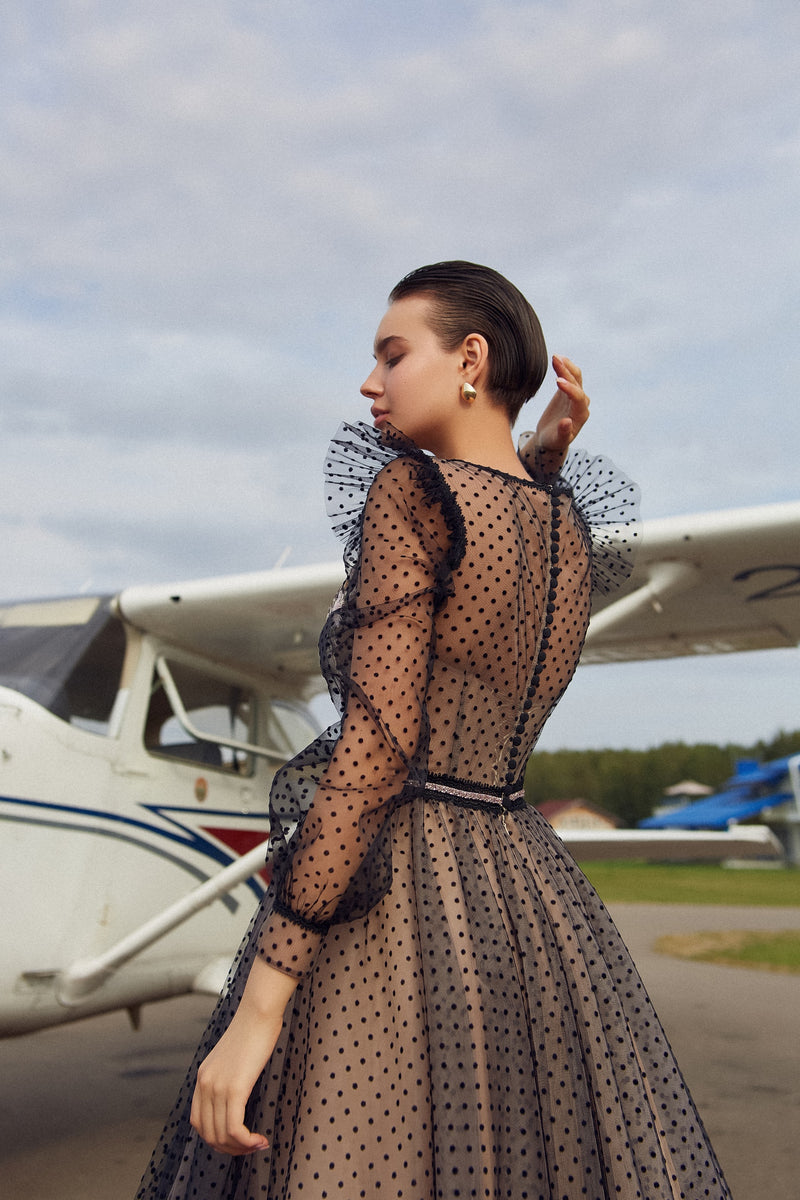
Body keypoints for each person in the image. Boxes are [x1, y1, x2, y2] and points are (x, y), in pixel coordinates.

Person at [137, 262, 731, 1199]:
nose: (369, 384)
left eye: (390, 353)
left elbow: (372, 757)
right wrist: (538, 457)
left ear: (471, 359)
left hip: (399, 895)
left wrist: (259, 1009)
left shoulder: (409, 494)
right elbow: (494, 569)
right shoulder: (562, 527)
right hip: (523, 896)